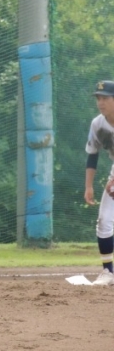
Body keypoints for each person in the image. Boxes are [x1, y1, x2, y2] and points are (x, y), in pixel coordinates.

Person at [84, 80, 114, 285]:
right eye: (98, 98)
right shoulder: (97, 124)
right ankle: (108, 272)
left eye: (105, 98)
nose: (100, 103)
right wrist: (89, 186)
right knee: (104, 220)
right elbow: (92, 155)